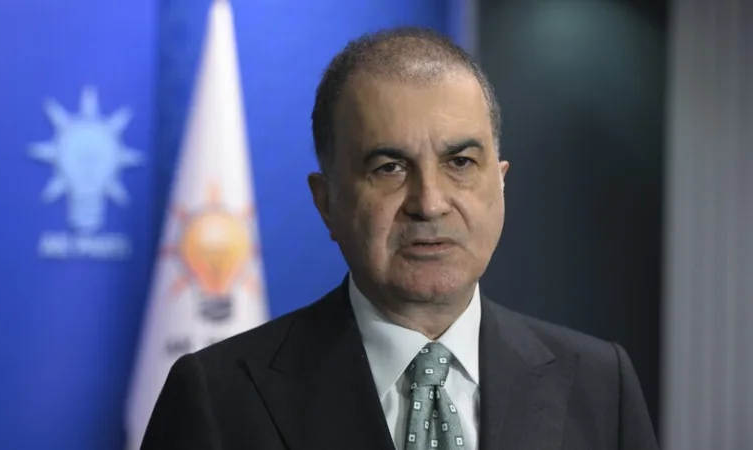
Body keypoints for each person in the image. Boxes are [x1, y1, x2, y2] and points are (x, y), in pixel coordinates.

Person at [140, 27, 659, 450]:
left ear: (500, 183)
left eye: (460, 163)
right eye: (389, 167)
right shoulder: (218, 397)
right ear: (326, 202)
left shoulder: (600, 384)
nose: (429, 202)